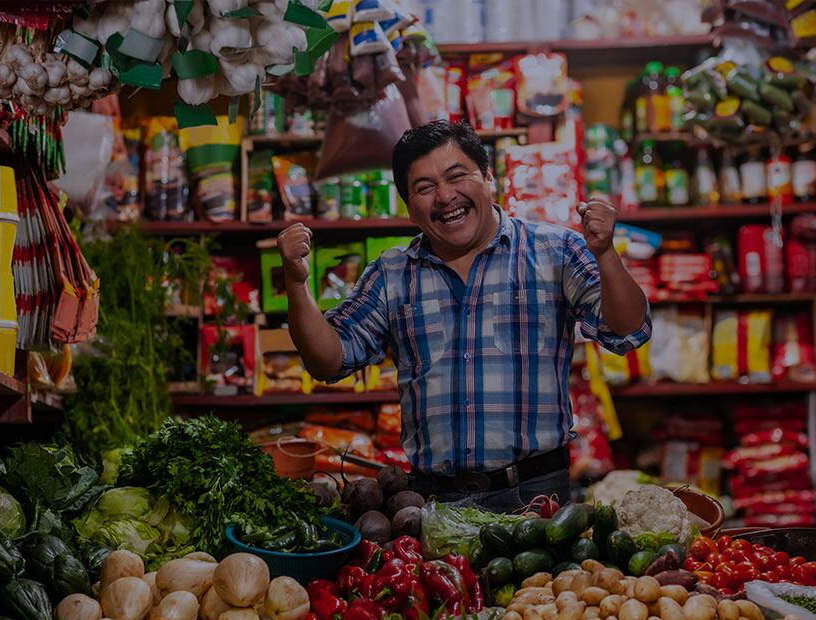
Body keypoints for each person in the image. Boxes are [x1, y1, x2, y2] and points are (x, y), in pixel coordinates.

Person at [278, 121, 651, 512]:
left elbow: (629, 332)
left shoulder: (554, 251)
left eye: (457, 176)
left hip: (537, 494)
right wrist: (295, 282)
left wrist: (606, 253)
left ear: (489, 177)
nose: (445, 197)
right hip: (435, 500)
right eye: (424, 188)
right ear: (408, 206)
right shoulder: (392, 274)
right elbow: (327, 361)